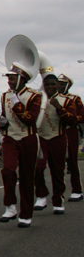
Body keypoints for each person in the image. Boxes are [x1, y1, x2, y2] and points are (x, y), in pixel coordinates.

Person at [0, 63, 42, 227]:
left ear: (22, 79)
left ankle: (26, 214)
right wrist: (1, 123)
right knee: (8, 171)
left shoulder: (34, 96)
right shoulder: (5, 95)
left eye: (12, 78)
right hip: (10, 138)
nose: (9, 81)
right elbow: (4, 117)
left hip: (27, 138)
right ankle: (10, 206)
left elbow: (30, 120)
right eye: (8, 78)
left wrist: (17, 105)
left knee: (27, 177)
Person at [34, 74, 78, 214]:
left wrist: (59, 108)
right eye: (47, 85)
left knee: (57, 171)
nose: (50, 87)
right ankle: (41, 195)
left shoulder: (66, 100)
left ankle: (58, 200)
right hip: (41, 138)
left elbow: (72, 121)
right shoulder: (38, 98)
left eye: (53, 84)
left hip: (58, 138)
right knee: (38, 168)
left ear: (58, 86)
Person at [57, 74, 84, 201]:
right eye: (58, 83)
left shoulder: (75, 99)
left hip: (69, 130)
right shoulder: (52, 98)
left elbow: (81, 116)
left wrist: (69, 117)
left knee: (72, 160)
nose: (59, 86)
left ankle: (77, 189)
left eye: (62, 84)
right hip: (55, 131)